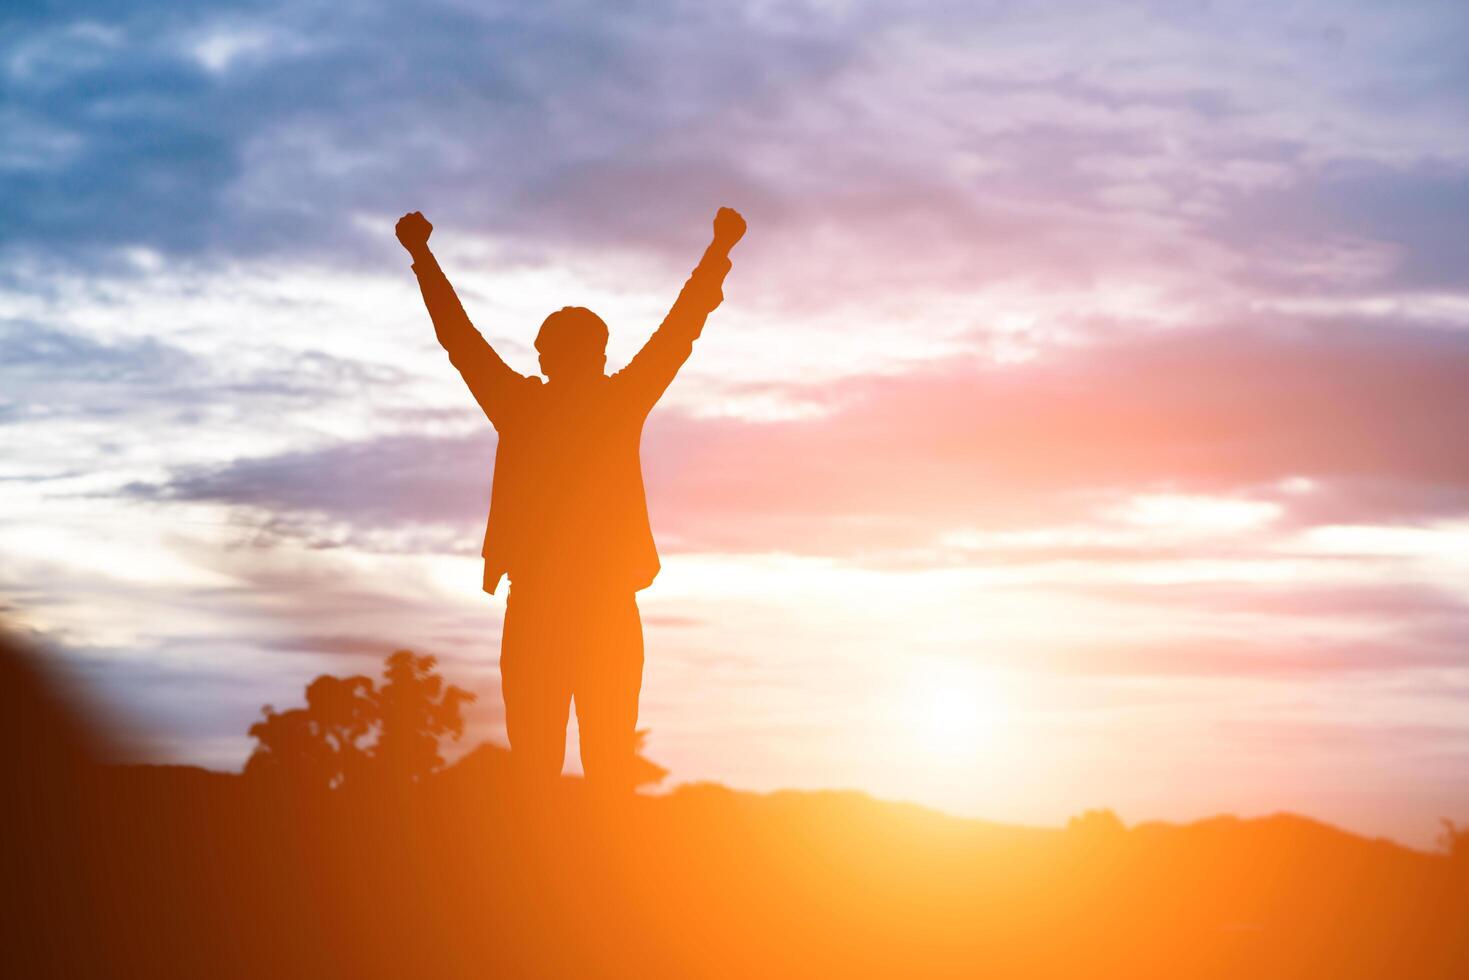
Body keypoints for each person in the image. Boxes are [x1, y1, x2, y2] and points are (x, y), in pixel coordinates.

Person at [395, 206, 746, 791]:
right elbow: (680, 329)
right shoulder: (613, 403)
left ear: (544, 358)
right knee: (602, 765)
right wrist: (718, 251)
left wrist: (422, 255)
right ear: (599, 356)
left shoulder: (523, 407)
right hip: (594, 608)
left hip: (543, 608)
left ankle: (550, 875)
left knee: (543, 764)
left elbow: (458, 338)